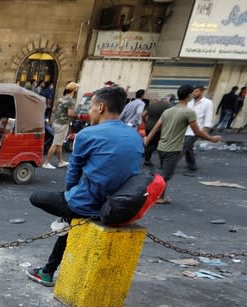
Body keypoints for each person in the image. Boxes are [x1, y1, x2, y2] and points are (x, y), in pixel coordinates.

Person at [26, 86, 144, 287]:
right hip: (120, 207)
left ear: (100, 107)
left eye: (91, 107)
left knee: (37, 197)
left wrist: (71, 196)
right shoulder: (135, 136)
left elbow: (73, 175)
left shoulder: (87, 134)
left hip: (88, 204)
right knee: (71, 221)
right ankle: (47, 271)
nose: (89, 111)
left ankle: (47, 271)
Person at [144, 84, 221, 204]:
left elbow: (155, 128)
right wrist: (212, 139)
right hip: (173, 148)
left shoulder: (168, 111)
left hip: (162, 146)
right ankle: (151, 194)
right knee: (165, 175)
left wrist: (146, 142)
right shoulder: (189, 112)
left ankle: (160, 197)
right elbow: (197, 132)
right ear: (189, 95)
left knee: (163, 171)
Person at [42, 81, 78, 169]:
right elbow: (70, 114)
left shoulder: (61, 98)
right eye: (76, 88)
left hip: (56, 123)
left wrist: (60, 114)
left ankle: (60, 161)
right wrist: (77, 115)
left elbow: (54, 110)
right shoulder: (71, 100)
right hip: (63, 124)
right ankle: (46, 163)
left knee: (59, 143)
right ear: (74, 89)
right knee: (55, 143)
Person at [183, 85, 213, 173]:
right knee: (188, 147)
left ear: (202, 92)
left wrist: (206, 131)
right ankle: (192, 165)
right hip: (186, 129)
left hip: (197, 130)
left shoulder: (207, 103)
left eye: (196, 91)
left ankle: (169, 165)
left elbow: (208, 117)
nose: (194, 93)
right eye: (193, 92)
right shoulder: (190, 102)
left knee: (184, 146)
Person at [142, 94, 174, 167]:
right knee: (158, 145)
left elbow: (143, 115)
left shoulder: (152, 105)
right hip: (159, 128)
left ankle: (147, 160)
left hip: (148, 127)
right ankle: (163, 163)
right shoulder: (168, 106)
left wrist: (145, 122)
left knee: (149, 143)